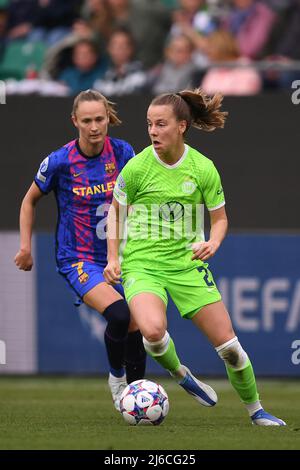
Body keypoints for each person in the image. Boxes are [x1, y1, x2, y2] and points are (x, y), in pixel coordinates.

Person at [104, 88, 286, 426]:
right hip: (142, 265)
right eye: (149, 125)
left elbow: (220, 219)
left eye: (160, 125)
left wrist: (213, 243)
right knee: (153, 332)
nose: (153, 132)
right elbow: (115, 214)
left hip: (187, 265)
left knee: (230, 348)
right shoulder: (136, 168)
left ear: (182, 126)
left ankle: (256, 411)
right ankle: (181, 373)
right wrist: (113, 258)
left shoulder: (203, 168)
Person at [14, 89, 146, 411]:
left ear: (107, 118)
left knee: (138, 324)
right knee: (119, 313)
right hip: (78, 258)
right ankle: (117, 380)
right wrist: (25, 247)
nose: (94, 127)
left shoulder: (124, 152)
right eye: (86, 120)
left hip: (121, 254)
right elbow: (29, 200)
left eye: (99, 119)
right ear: (75, 121)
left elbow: (138, 198)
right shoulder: (59, 161)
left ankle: (138, 396)